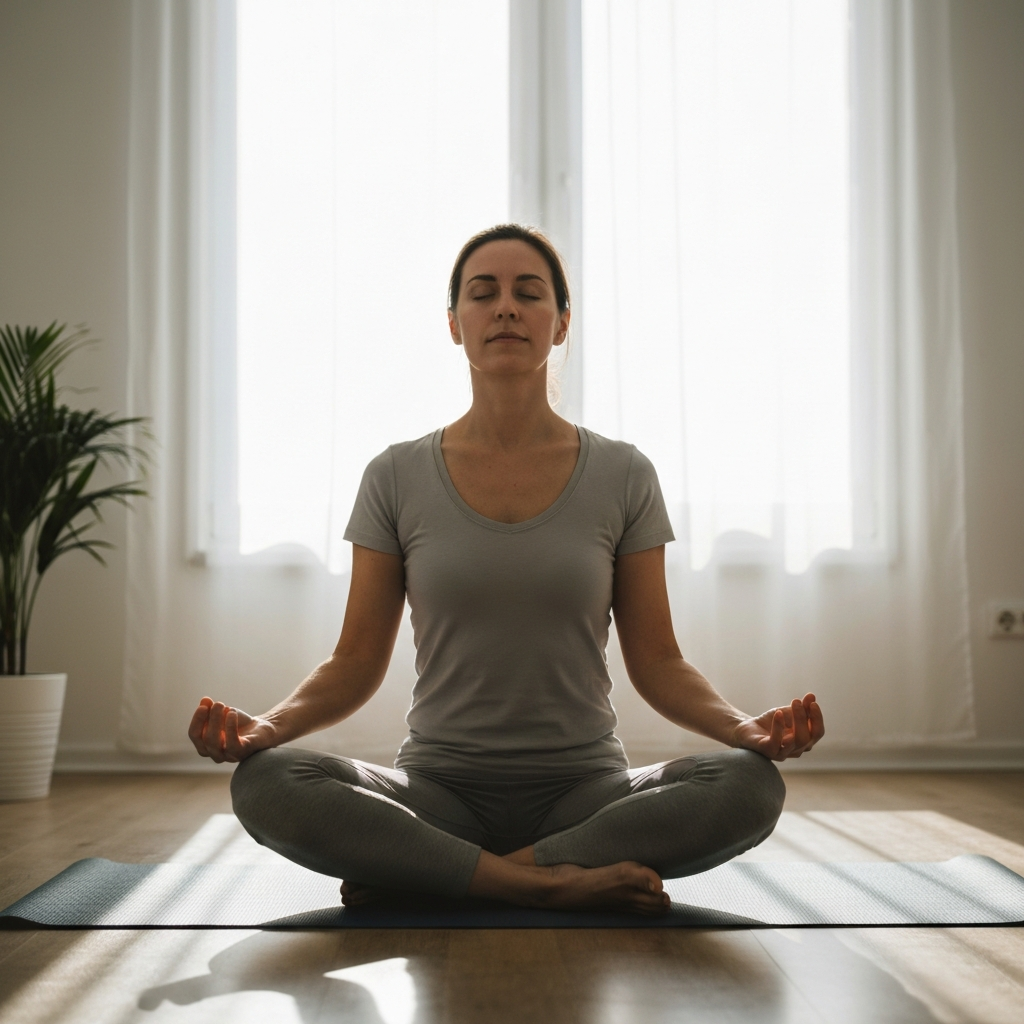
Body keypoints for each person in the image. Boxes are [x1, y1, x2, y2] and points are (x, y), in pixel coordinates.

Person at [188, 224, 824, 915]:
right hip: (438, 796)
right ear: (455, 324)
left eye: (530, 292)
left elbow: (660, 662)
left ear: (561, 324)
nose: (506, 308)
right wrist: (265, 731)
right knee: (267, 781)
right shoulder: (395, 476)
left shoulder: (624, 474)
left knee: (749, 784)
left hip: (587, 798)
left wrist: (745, 731)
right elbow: (353, 663)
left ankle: (438, 876)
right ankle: (548, 883)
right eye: (482, 293)